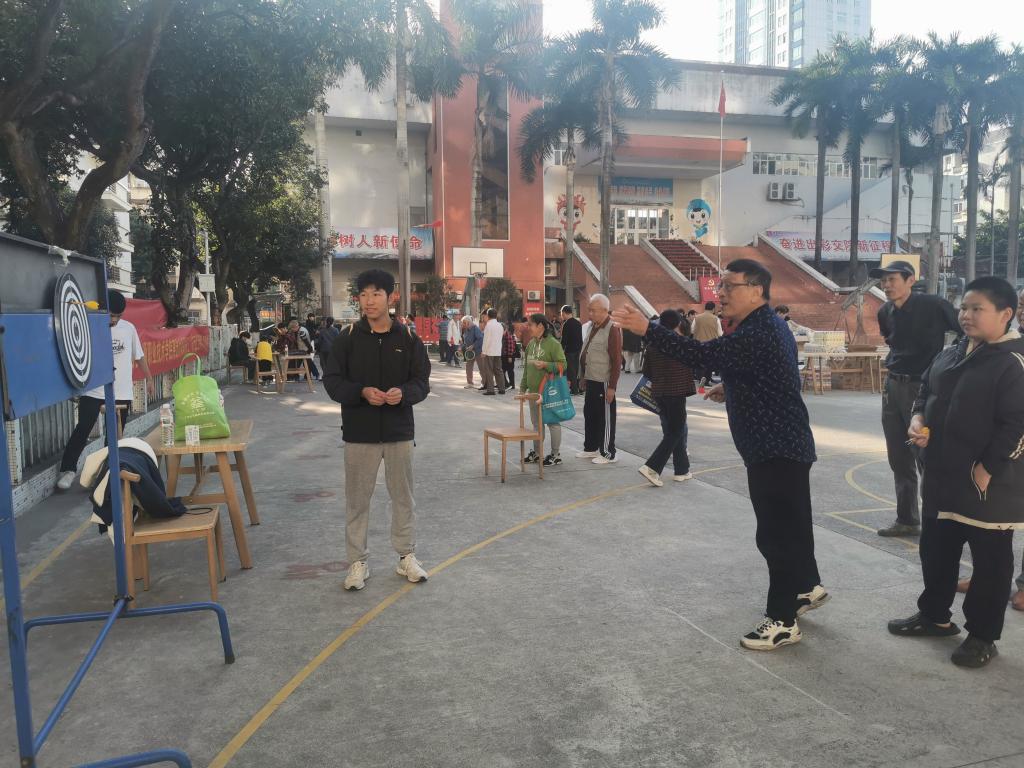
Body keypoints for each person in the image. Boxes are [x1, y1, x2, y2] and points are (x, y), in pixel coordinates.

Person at [612, 259, 827, 651]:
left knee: (776, 535)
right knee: (793, 526)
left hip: (774, 447)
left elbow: (701, 356)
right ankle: (806, 587)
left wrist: (649, 329)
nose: (721, 293)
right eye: (721, 286)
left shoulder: (758, 330)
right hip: (784, 444)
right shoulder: (765, 326)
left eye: (730, 286)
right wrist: (733, 387)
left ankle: (782, 620)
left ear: (757, 291)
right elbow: (768, 372)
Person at [888, 277, 1024, 668]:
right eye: (964, 307)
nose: (966, 315)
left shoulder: (1013, 362)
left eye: (977, 309)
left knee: (990, 564)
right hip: (942, 475)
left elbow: (1018, 425)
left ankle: (982, 636)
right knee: (936, 551)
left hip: (987, 485)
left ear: (1005, 313)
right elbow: (925, 393)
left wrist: (987, 468)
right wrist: (917, 419)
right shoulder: (952, 352)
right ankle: (934, 616)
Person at [322, 268, 431, 591]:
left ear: (390, 297)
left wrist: (404, 394)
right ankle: (357, 562)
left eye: (376, 294)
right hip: (360, 433)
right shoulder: (347, 339)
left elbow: (421, 381)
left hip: (399, 432)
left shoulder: (408, 339)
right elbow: (332, 381)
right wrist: (361, 392)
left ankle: (406, 556)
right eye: (363, 295)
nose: (369, 301)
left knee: (403, 497)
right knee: (357, 501)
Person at [873, 260, 962, 537]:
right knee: (898, 457)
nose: (886, 285)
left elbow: (964, 329)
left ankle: (936, 521)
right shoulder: (884, 311)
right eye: (883, 281)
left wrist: (950, 362)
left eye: (892, 279)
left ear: (910, 280)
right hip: (892, 386)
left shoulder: (934, 305)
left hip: (922, 388)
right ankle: (907, 519)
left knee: (925, 455)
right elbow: (891, 342)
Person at [56, 290, 156, 490]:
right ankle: (68, 470)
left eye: (118, 316)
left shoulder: (129, 328)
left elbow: (139, 356)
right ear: (103, 311)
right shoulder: (89, 327)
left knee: (114, 436)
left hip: (122, 392)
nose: (114, 320)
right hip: (93, 390)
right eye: (111, 315)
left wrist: (149, 378)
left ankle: (104, 475)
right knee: (83, 428)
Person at [638, 309, 696, 487]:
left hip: (659, 392)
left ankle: (682, 470)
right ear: (677, 323)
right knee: (676, 431)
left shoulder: (653, 343)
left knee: (673, 430)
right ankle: (652, 467)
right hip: (676, 392)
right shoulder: (679, 342)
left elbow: (647, 371)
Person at [578, 294, 622, 464]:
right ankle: (591, 447)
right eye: (589, 310)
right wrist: (583, 377)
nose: (590, 313)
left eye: (593, 310)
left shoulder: (612, 328)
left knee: (605, 418)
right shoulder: (592, 326)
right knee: (590, 415)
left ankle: (608, 453)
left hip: (604, 381)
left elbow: (616, 360)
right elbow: (586, 352)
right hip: (591, 379)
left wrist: (612, 386)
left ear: (605, 310)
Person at [520, 314, 568, 466]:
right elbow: (527, 369)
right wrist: (522, 388)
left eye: (531, 325)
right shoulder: (530, 344)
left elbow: (563, 365)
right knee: (536, 424)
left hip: (549, 391)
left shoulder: (553, 344)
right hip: (533, 392)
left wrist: (546, 365)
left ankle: (555, 455)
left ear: (540, 326)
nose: (528, 327)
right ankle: (537, 453)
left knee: (553, 423)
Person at [692, 301, 722, 390]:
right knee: (709, 363)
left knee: (699, 363)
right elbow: (720, 333)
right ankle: (707, 380)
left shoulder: (697, 318)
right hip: (711, 344)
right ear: (713, 309)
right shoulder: (716, 319)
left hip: (698, 343)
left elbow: (692, 330)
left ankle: (700, 379)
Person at [480, 308, 506, 395]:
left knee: (489, 370)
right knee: (498, 370)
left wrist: (483, 351)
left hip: (489, 351)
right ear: (496, 315)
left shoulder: (488, 325)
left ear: (488, 315)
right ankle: (502, 388)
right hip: (497, 351)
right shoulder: (500, 325)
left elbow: (486, 340)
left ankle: (490, 390)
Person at [560, 305, 583, 395]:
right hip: (578, 350)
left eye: (561, 313)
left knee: (570, 370)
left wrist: (560, 350)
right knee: (576, 369)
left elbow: (564, 340)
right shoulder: (578, 323)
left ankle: (574, 390)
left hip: (570, 351)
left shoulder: (566, 324)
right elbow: (580, 338)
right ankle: (577, 388)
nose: (561, 315)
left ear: (564, 313)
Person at [461, 315, 483, 388]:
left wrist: (473, 346)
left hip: (478, 351)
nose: (463, 324)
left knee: (481, 367)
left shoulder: (475, 328)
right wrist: (462, 347)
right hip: (469, 352)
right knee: (468, 367)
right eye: (463, 323)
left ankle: (484, 383)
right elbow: (465, 340)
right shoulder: (466, 329)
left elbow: (480, 339)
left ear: (468, 322)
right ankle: (470, 383)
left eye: (464, 323)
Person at [501, 321, 518, 390]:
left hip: (508, 356)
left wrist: (510, 356)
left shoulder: (508, 336)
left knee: (509, 371)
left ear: (504, 329)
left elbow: (511, 347)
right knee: (503, 371)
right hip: (504, 356)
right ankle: (506, 384)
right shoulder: (502, 335)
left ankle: (511, 384)